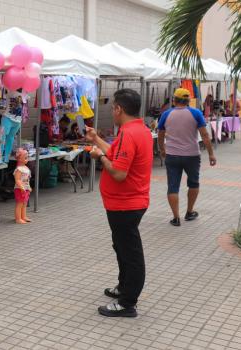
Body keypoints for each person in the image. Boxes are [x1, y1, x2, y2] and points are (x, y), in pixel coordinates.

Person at [85, 89, 153, 318]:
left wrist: (99, 157)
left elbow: (119, 172)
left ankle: (127, 303)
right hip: (125, 203)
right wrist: (96, 139)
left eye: (113, 107)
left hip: (127, 203)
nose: (112, 111)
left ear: (119, 109)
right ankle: (124, 287)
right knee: (121, 247)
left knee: (130, 252)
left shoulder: (129, 134)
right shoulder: (137, 129)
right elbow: (115, 153)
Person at [157, 88, 217, 227]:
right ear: (188, 100)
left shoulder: (166, 114)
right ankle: (189, 212)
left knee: (173, 186)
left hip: (172, 155)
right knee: (194, 183)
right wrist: (211, 154)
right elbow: (205, 135)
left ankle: (176, 218)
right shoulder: (196, 113)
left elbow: (160, 135)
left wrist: (162, 150)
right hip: (192, 155)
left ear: (174, 100)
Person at [13, 148, 31, 224]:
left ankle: (23, 216)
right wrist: (21, 186)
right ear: (19, 159)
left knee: (24, 203)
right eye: (25, 157)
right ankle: (18, 218)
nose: (27, 158)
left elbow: (27, 179)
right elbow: (17, 179)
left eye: (27, 157)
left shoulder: (25, 168)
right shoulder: (19, 169)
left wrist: (28, 187)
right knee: (20, 203)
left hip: (25, 188)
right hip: (19, 189)